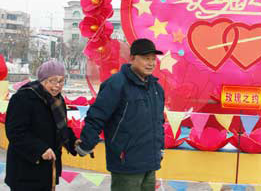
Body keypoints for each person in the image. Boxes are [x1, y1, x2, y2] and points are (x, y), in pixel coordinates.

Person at [76, 38, 165, 191]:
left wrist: (159, 148)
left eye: (153, 59)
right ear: (132, 59)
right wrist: (86, 144)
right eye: (145, 58)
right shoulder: (117, 84)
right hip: (126, 162)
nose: (151, 63)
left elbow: (158, 123)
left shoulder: (156, 88)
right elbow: (97, 116)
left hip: (150, 162)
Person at [5, 60, 78, 191]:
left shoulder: (58, 101)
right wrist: (40, 149)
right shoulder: (23, 98)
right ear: (42, 80)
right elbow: (15, 132)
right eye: (52, 81)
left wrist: (75, 142)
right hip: (25, 172)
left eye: (61, 81)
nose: (57, 86)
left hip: (48, 171)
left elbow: (60, 129)